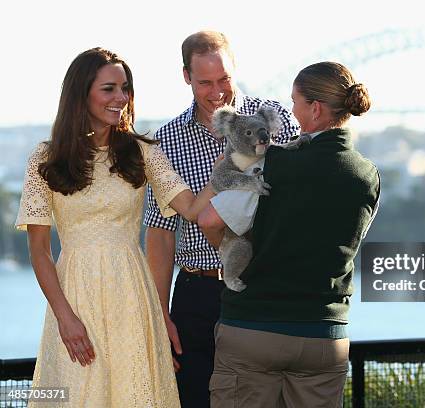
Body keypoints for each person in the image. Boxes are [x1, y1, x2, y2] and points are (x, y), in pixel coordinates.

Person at [15, 47, 216, 407]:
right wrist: (65, 317)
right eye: (109, 89)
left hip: (132, 298)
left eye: (125, 88)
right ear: (81, 93)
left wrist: (232, 166)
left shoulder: (142, 152)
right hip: (76, 296)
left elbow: (192, 209)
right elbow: (39, 251)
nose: (121, 98)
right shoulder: (45, 159)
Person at [200, 61, 380, 408]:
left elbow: (209, 219)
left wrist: (234, 253)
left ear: (315, 108)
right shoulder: (367, 175)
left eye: (295, 102)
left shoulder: (272, 163)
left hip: (255, 329)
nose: (291, 111)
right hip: (323, 337)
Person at [143, 30, 299, 408]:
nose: (217, 92)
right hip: (197, 295)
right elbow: (160, 236)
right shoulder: (166, 141)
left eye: (224, 79)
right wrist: (159, 315)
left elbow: (298, 202)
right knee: (196, 399)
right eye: (205, 82)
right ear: (186, 77)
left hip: (264, 285)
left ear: (235, 69)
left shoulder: (274, 117)